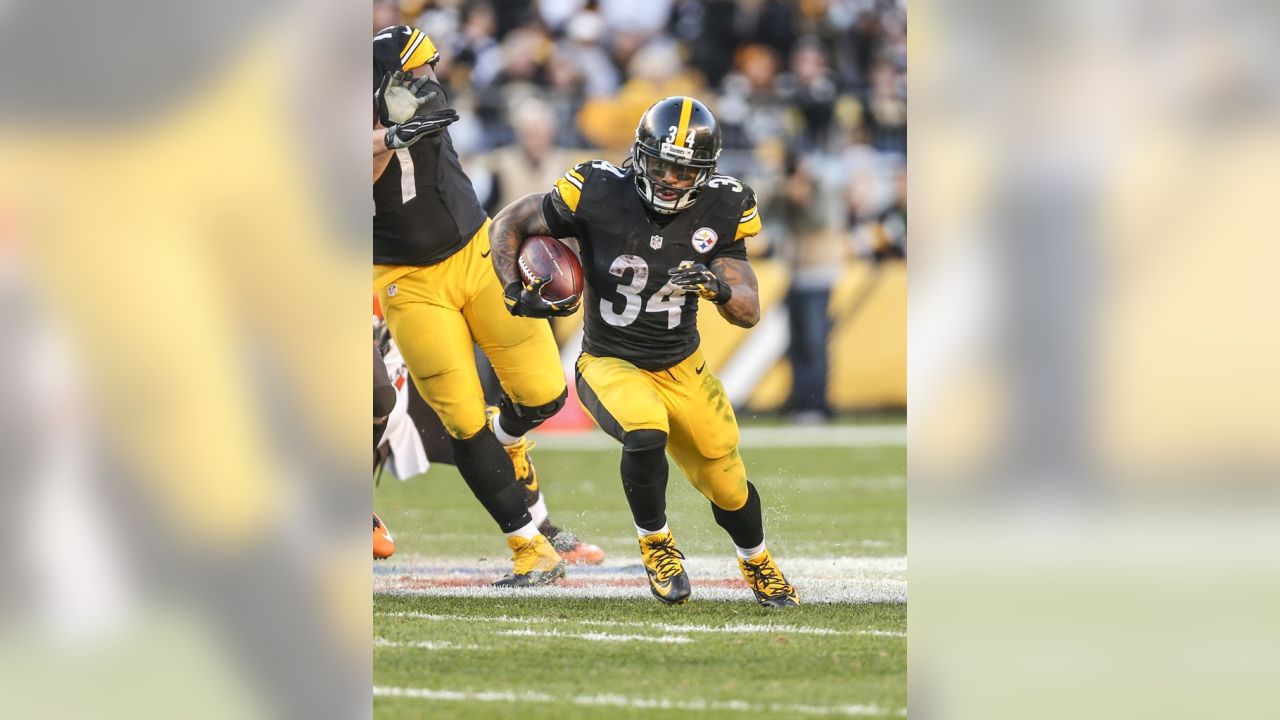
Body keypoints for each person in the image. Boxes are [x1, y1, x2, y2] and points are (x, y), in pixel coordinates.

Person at [489, 96, 799, 607]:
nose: (671, 180)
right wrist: (510, 286)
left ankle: (758, 561)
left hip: (685, 369)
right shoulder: (598, 190)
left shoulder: (724, 205)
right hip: (611, 361)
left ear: (705, 172)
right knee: (645, 430)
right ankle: (657, 543)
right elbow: (510, 222)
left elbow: (748, 308)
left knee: (729, 486)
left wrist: (718, 288)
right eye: (660, 165)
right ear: (640, 156)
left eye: (683, 170)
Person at [372, 25, 579, 586]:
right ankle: (529, 549)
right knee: (462, 421)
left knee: (545, 393)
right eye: (415, 70)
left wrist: (396, 127)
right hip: (407, 280)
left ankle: (508, 436)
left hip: (476, 252)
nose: (428, 79)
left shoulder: (428, 99)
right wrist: (389, 136)